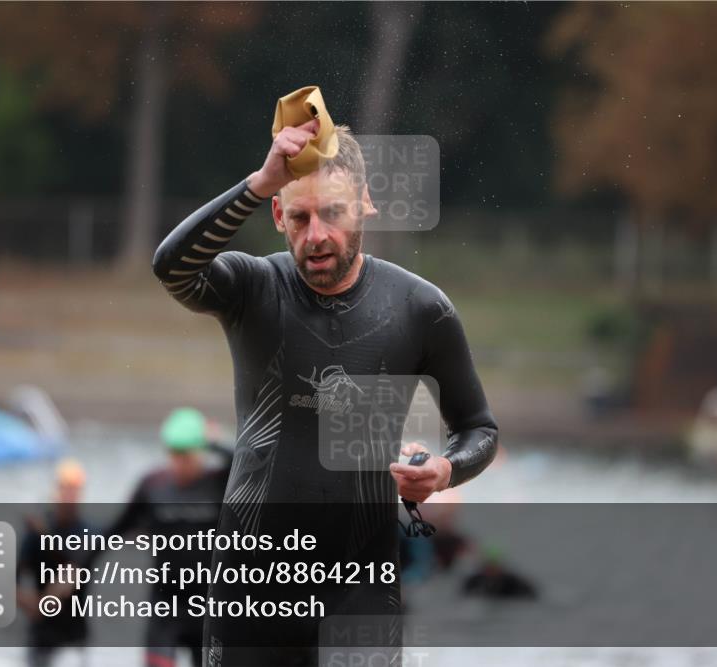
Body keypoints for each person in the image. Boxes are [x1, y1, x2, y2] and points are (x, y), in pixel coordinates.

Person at [152, 114, 498, 666]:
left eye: (333, 213)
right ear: (277, 215)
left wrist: (445, 471)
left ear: (364, 202)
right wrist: (257, 182)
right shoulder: (253, 288)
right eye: (299, 216)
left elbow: (477, 427)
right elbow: (172, 267)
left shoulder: (419, 308)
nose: (316, 236)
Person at [103, 408, 233, 667]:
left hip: (208, 608)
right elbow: (112, 532)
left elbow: (253, 463)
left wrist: (216, 443)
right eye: (174, 454)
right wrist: (75, 569)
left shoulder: (221, 483)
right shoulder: (153, 486)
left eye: (186, 455)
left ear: (201, 451)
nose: (179, 463)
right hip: (165, 606)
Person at [16, 459, 93, 667]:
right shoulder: (34, 535)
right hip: (41, 636)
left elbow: (73, 570)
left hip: (73, 635)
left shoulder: (86, 533)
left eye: (74, 489)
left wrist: (44, 535)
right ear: (56, 489)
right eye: (65, 488)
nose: (70, 495)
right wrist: (30, 605)